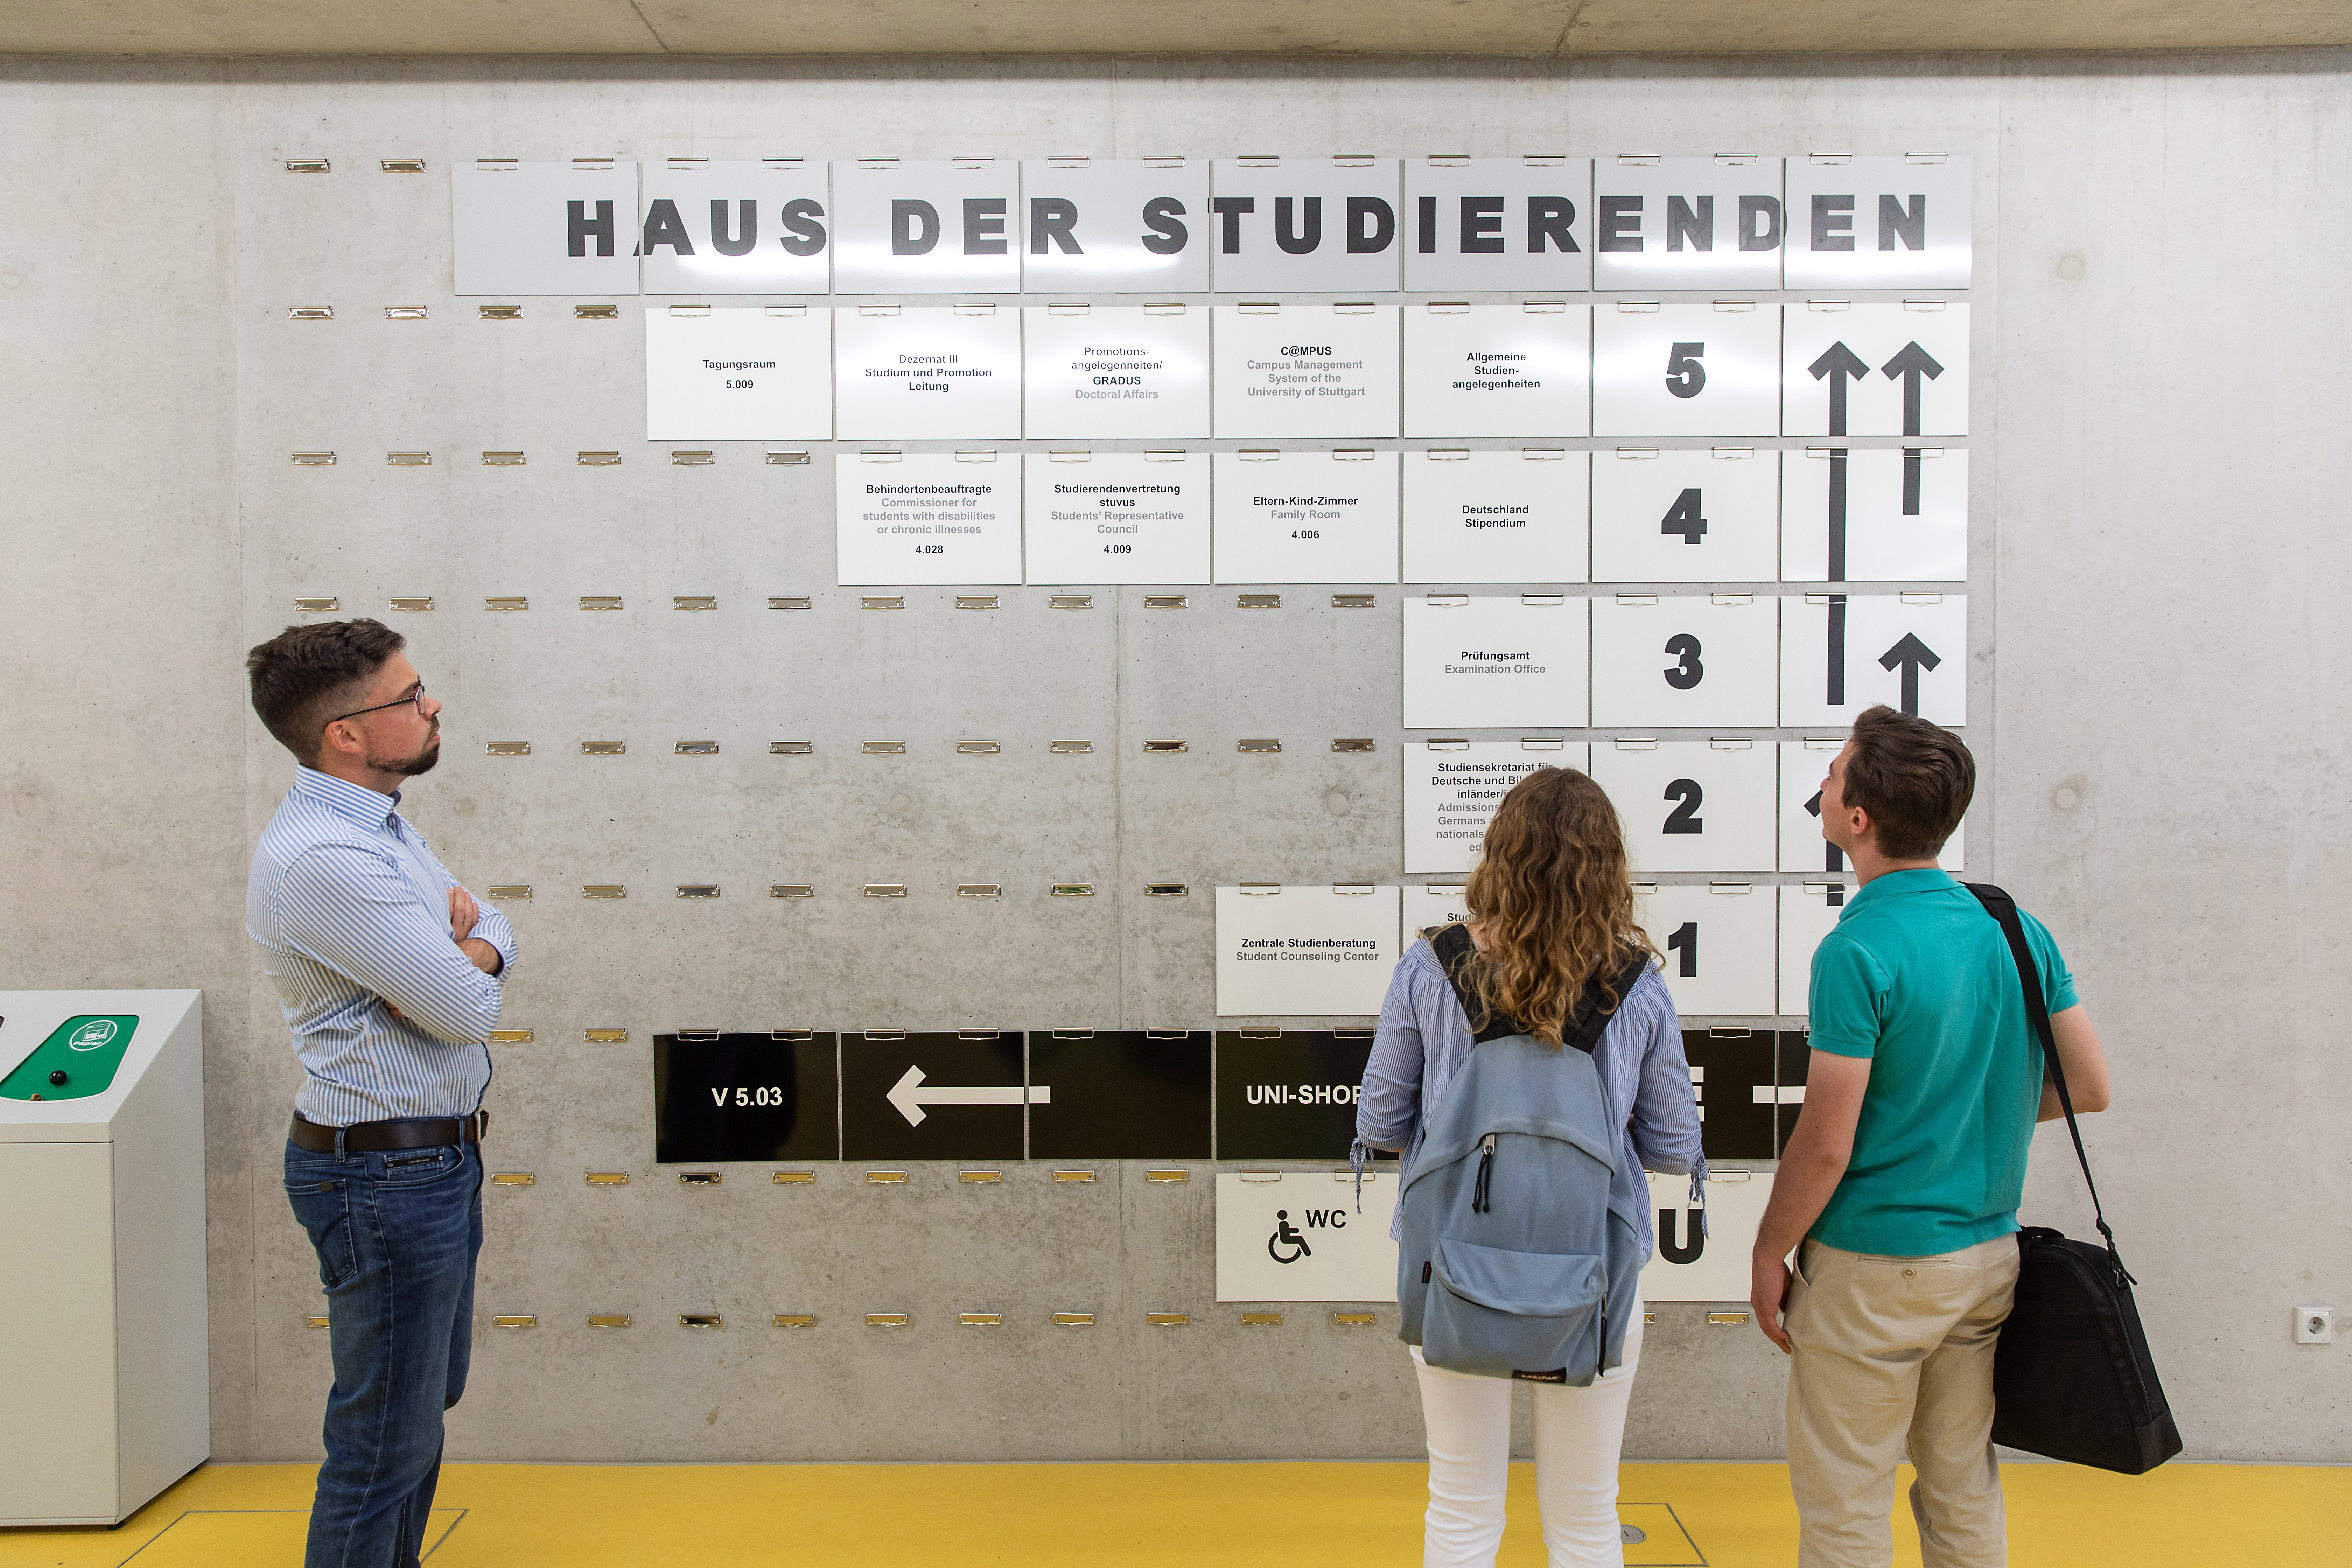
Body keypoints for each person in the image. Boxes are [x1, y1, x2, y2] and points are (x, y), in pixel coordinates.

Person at [1750, 705, 2114, 1568]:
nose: (1825, 788)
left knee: (1846, 1504)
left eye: (1833, 775)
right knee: (1962, 1490)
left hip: (1874, 1270)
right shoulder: (2015, 927)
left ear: (1859, 819)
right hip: (1987, 1260)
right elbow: (2090, 1087)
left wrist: (1772, 1248)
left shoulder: (1858, 947)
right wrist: (1960, 1109)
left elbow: (1827, 1141)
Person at [1357, 766, 1704, 1568]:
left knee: (1461, 1503)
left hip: (1450, 1265)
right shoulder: (1637, 983)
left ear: (1497, 855)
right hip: (1596, 1271)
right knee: (1587, 1518)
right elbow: (1671, 1142)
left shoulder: (1428, 966)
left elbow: (1379, 1120)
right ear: (1608, 866)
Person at [245, 619, 517, 1568]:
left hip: (427, 1161)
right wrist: (472, 954)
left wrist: (474, 946)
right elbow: (464, 1008)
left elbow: (492, 927)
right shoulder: (327, 859)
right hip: (385, 1177)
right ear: (345, 736)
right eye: (409, 698)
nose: (432, 704)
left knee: (416, 1415)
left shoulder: (382, 824)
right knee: (380, 1446)